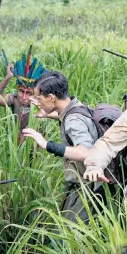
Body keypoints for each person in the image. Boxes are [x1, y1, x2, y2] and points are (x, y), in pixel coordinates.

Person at [22, 71, 105, 222]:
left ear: (51, 97)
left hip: (86, 188)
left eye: (38, 98)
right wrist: (46, 113)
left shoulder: (73, 120)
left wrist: (46, 144)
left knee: (73, 236)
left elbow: (85, 152)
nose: (37, 102)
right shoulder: (75, 106)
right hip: (89, 185)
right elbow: (66, 115)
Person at [0, 47, 46, 145]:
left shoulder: (41, 105)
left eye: (29, 93)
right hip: (15, 148)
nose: (24, 97)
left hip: (34, 150)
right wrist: (8, 77)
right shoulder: (14, 99)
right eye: (21, 91)